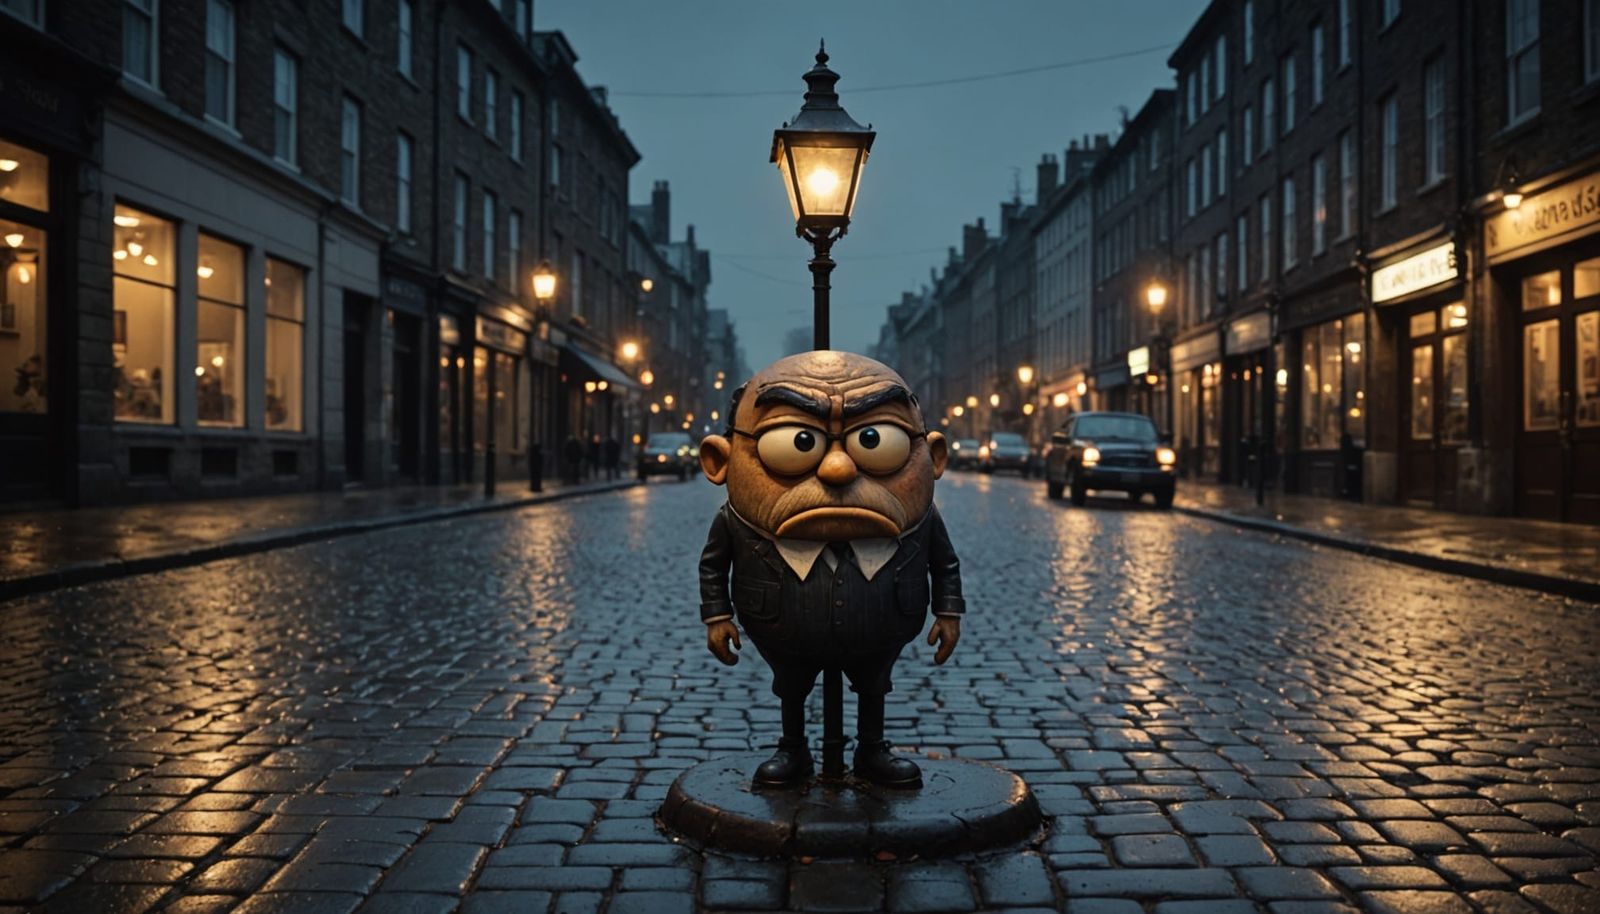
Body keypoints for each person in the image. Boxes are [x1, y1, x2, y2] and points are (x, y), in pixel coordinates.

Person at [696, 351, 965, 789]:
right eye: (793, 442)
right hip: (783, 630)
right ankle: (793, 748)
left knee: (874, 685)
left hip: (881, 629)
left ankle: (872, 749)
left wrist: (948, 612)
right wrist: (717, 617)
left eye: (876, 441)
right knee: (792, 685)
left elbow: (943, 561)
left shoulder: (923, 519)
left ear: (933, 456)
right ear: (719, 461)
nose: (838, 468)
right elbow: (714, 565)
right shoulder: (733, 521)